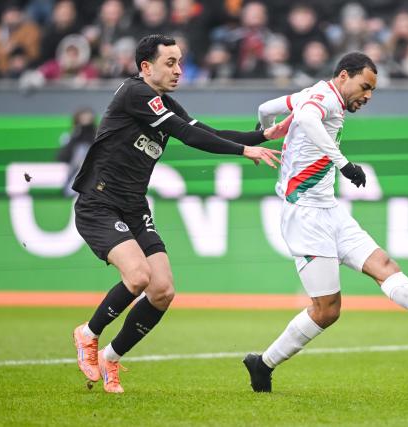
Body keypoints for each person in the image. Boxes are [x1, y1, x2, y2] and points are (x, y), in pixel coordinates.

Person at [244, 52, 408, 393]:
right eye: (365, 87)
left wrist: (263, 128)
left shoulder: (312, 94)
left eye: (373, 90)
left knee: (385, 266)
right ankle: (263, 364)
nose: (368, 96)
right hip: (304, 216)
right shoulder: (321, 100)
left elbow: (268, 106)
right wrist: (343, 164)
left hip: (329, 210)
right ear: (343, 76)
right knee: (327, 310)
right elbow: (306, 119)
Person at [72, 34, 287, 394]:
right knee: (138, 276)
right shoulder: (135, 94)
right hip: (100, 202)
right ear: (146, 67)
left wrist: (261, 135)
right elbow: (187, 135)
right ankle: (88, 334)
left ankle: (111, 356)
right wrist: (243, 151)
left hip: (134, 205)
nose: (178, 70)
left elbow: (204, 131)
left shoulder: (162, 102)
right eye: (170, 62)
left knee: (162, 291)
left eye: (180, 62)